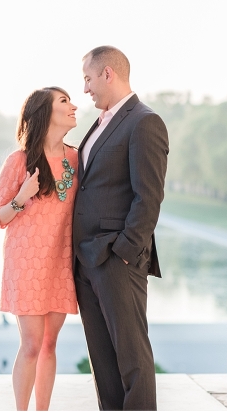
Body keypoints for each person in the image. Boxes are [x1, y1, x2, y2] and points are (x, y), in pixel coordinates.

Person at [73, 46, 168, 411]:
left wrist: (125, 253)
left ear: (107, 73)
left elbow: (149, 197)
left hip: (116, 260)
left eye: (88, 78)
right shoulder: (100, 124)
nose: (85, 89)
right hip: (86, 262)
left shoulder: (144, 121)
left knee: (132, 361)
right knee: (104, 366)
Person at [0, 87, 80, 411]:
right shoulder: (18, 161)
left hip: (59, 262)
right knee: (30, 345)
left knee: (49, 344)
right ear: (46, 113)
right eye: (64, 101)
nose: (74, 106)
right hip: (26, 264)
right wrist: (22, 196)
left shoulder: (74, 158)